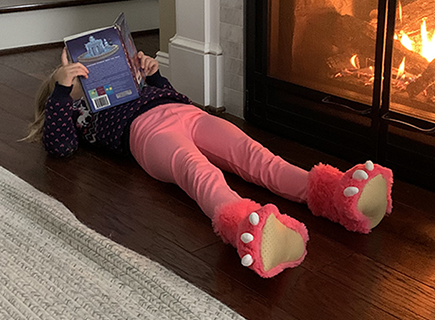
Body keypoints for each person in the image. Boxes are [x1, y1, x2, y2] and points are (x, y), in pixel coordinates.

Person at [28, 48, 393, 278]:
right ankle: (244, 228)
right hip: (146, 135)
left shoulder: (138, 86)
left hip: (186, 113)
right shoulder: (76, 113)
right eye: (77, 81)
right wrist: (62, 90)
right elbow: (59, 147)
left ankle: (332, 193)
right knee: (198, 172)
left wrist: (152, 75)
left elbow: (178, 96)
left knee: (255, 155)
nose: (85, 81)